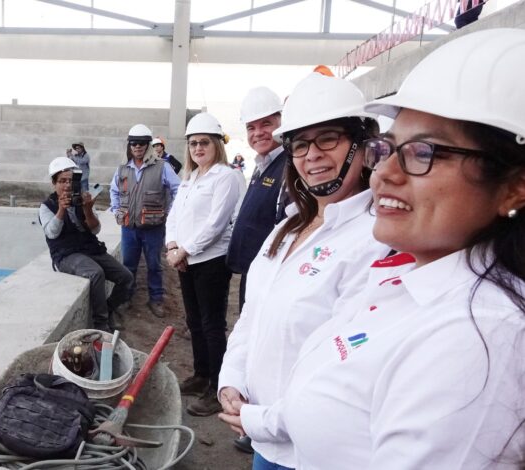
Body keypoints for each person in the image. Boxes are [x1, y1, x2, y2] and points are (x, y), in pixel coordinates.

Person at [237, 29, 525, 469]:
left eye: (424, 152)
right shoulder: (404, 280)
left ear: (513, 189)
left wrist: (259, 419)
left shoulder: (481, 338)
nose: (383, 174)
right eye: (390, 149)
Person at [217, 73, 391, 470]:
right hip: (266, 440)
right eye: (300, 144)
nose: (311, 154)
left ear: (363, 147)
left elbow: (346, 370)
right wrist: (232, 381)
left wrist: (258, 420)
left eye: (328, 138)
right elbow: (253, 316)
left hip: (317, 452)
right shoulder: (287, 227)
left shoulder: (375, 238)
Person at [165, 113, 245, 417]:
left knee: (212, 325)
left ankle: (216, 385)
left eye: (204, 142)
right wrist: (173, 246)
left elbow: (216, 223)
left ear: (216, 145)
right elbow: (175, 216)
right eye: (193, 143)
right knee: (194, 321)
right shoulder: (191, 177)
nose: (198, 148)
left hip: (210, 262)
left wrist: (185, 250)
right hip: (186, 259)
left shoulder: (226, 176)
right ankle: (201, 374)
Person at [224, 86, 290, 455]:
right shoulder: (264, 165)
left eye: (267, 124)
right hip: (256, 272)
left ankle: (256, 426)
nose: (258, 133)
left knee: (265, 345)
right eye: (252, 127)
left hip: (271, 277)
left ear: (282, 124)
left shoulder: (287, 166)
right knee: (250, 339)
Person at [40, 157, 133, 333]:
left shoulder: (82, 199)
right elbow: (52, 233)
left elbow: (95, 229)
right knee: (95, 273)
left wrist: (88, 209)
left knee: (126, 278)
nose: (67, 185)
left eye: (70, 181)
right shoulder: (47, 206)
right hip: (65, 254)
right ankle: (101, 323)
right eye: (62, 181)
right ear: (54, 184)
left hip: (89, 248)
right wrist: (61, 210)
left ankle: (109, 308)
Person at [110, 124, 181, 318]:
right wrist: (117, 210)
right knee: (128, 266)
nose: (137, 147)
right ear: (129, 145)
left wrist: (170, 213)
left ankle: (156, 299)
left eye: (141, 143)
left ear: (148, 145)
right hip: (129, 228)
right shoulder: (123, 168)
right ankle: (126, 298)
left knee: (154, 265)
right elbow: (114, 191)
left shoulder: (162, 167)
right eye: (133, 143)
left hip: (154, 228)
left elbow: (179, 190)